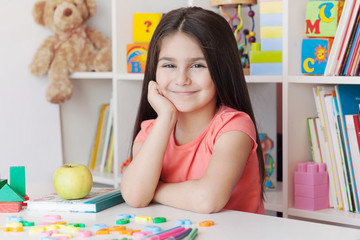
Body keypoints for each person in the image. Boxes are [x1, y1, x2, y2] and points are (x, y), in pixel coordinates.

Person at [120, 6, 265, 214]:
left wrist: (153, 189)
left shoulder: (234, 128)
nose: (181, 80)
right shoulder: (152, 130)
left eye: (197, 66)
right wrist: (166, 117)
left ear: (221, 70)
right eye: (169, 66)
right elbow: (135, 196)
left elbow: (207, 199)